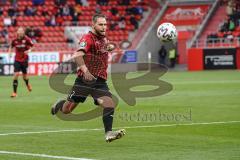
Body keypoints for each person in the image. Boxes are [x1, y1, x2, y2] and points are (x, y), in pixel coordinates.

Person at [51, 14, 126, 142]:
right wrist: (85, 71)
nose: (103, 27)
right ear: (93, 25)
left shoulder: (103, 38)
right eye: (100, 24)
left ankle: (108, 133)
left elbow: (105, 47)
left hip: (100, 81)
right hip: (84, 81)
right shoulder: (87, 38)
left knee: (109, 103)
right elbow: (78, 55)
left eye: (105, 24)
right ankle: (59, 105)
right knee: (67, 110)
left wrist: (110, 47)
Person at [8, 27, 34, 98]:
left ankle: (27, 84)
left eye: (21, 31)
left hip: (24, 60)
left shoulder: (27, 39)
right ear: (17, 32)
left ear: (23, 32)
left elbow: (33, 46)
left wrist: (29, 51)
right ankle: (14, 92)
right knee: (16, 75)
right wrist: (9, 52)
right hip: (17, 60)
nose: (20, 32)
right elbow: (11, 46)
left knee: (24, 77)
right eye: (19, 31)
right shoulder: (14, 40)